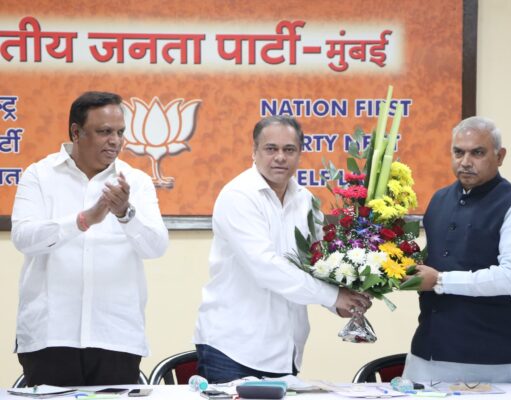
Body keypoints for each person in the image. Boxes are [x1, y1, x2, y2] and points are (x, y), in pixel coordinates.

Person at [193, 115, 371, 383]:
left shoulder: (306, 201)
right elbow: (266, 267)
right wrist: (334, 297)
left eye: (289, 150)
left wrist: (343, 303)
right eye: (271, 149)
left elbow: (319, 264)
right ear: (254, 151)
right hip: (233, 349)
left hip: (286, 350)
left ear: (300, 154)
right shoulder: (238, 196)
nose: (280, 157)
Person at [11, 91, 169, 386]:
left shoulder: (136, 182)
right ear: (76, 132)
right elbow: (23, 238)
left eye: (120, 132)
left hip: (116, 335)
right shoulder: (40, 175)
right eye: (104, 132)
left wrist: (125, 214)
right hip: (50, 335)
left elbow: (156, 247)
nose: (115, 141)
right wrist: (83, 220)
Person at [403, 116, 511, 383]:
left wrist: (440, 281)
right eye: (458, 152)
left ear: (500, 156)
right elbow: (434, 260)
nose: (466, 161)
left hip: (496, 356)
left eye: (477, 153)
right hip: (430, 352)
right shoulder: (439, 199)